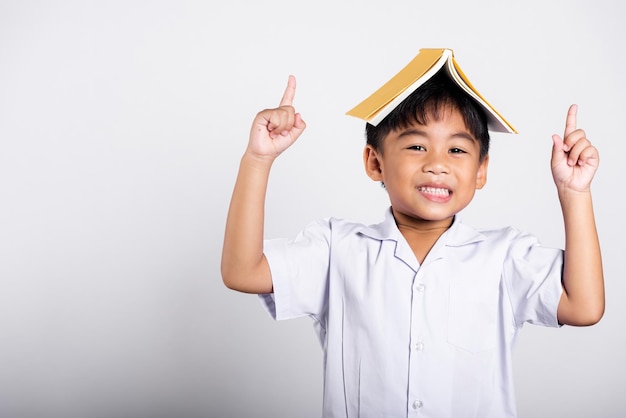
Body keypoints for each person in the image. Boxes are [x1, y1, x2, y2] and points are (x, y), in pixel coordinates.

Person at [221, 69, 604, 417]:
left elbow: (583, 307)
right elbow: (242, 271)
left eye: (457, 149)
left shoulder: (503, 256)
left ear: (481, 170)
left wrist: (574, 193)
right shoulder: (338, 249)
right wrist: (258, 159)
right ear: (375, 162)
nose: (437, 163)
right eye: (417, 146)